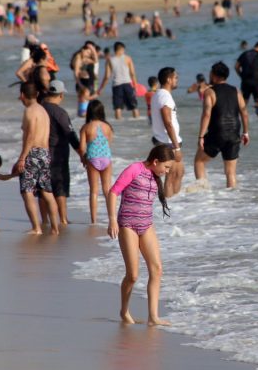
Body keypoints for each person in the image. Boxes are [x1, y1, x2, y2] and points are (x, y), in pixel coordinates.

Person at [105, 144, 175, 326]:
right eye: (166, 167)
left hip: (146, 225)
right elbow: (113, 192)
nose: (166, 171)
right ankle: (124, 310)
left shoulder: (155, 175)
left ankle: (153, 317)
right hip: (127, 225)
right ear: (156, 161)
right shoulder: (134, 169)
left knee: (157, 269)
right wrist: (112, 219)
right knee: (133, 275)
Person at [195, 61, 249, 189]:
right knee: (230, 172)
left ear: (214, 75)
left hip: (217, 132)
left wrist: (201, 136)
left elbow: (206, 114)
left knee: (199, 161)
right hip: (235, 132)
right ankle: (231, 201)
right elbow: (244, 113)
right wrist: (246, 132)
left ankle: (203, 195)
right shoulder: (236, 90)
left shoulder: (209, 92)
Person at [15, 83, 60, 235]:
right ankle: (55, 228)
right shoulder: (42, 110)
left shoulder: (29, 111)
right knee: (47, 191)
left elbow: (31, 136)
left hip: (32, 153)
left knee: (27, 191)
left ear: (22, 95)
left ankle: (36, 228)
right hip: (45, 153)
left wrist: (22, 158)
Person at [41, 80, 80, 227]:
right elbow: (70, 134)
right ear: (61, 95)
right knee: (60, 187)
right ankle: (63, 219)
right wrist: (82, 153)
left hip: (40, 152)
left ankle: (45, 220)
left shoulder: (39, 108)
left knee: (43, 187)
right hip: (58, 154)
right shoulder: (60, 112)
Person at [150, 67, 185, 196]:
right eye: (176, 78)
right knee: (171, 177)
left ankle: (173, 204)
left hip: (164, 140)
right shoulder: (165, 96)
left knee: (179, 173)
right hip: (168, 143)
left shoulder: (159, 94)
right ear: (169, 79)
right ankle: (169, 207)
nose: (177, 80)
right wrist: (176, 148)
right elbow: (168, 122)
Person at [79, 99, 115, 225]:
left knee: (94, 191)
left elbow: (82, 148)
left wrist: (83, 159)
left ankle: (93, 221)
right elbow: (108, 144)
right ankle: (112, 218)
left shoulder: (86, 127)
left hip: (92, 159)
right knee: (107, 190)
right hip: (106, 158)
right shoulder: (108, 127)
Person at [99, 41, 139, 119]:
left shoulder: (110, 60)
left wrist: (101, 89)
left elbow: (107, 76)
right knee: (134, 106)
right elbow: (133, 74)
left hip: (116, 85)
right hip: (127, 84)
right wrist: (135, 85)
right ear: (122, 49)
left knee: (118, 107)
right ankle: (137, 122)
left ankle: (119, 125)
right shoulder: (128, 58)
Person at [236, 41, 258, 107]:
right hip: (257, 82)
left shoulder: (244, 54)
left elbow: (236, 67)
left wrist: (241, 76)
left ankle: (240, 116)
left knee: (243, 103)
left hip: (245, 81)